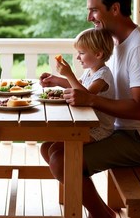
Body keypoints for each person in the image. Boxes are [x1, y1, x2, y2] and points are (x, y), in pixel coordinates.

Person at [40, 0, 140, 218]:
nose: (89, 17)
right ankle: (99, 214)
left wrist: (91, 100)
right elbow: (93, 86)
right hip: (121, 130)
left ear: (115, 8)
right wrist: (71, 86)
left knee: (63, 161)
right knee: (49, 147)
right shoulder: (118, 45)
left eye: (94, 10)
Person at [40, 28, 115, 164]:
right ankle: (68, 178)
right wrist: (55, 80)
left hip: (98, 129)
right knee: (46, 147)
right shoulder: (90, 72)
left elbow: (86, 97)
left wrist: (69, 74)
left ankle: (75, 180)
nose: (77, 57)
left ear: (98, 54)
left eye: (81, 53)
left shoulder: (103, 76)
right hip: (84, 122)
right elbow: (76, 85)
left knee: (56, 150)